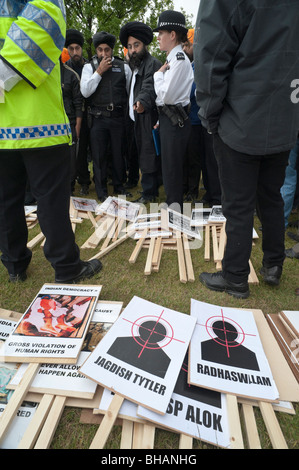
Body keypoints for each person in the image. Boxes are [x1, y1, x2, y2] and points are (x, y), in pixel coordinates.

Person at [194, 0, 299, 298]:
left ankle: (235, 276)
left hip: (242, 117)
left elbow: (210, 55)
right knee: (271, 197)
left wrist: (209, 114)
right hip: (283, 118)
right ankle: (273, 265)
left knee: (238, 205)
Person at [0, 0, 102, 283]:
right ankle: (66, 267)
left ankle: (14, 265)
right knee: (51, 200)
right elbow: (45, 18)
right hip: (37, 122)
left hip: (2, 122)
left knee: (6, 199)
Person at [80, 31, 132, 202]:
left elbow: (129, 91)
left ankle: (119, 186)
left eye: (107, 50)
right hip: (98, 118)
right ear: (96, 50)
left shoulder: (123, 66)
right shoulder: (89, 67)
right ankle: (101, 190)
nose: (104, 54)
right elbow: (85, 91)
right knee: (99, 155)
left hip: (117, 117)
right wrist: (99, 72)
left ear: (112, 50)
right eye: (100, 50)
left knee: (118, 153)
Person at [153, 10, 194, 212]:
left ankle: (174, 209)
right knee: (169, 166)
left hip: (176, 120)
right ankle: (172, 205)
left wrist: (157, 76)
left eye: (161, 32)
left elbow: (166, 96)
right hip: (170, 118)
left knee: (172, 167)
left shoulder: (177, 59)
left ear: (172, 35)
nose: (158, 37)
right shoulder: (174, 58)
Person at [119, 21, 162, 204]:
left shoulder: (152, 64)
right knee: (141, 153)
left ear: (144, 45)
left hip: (147, 116)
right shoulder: (134, 66)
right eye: (129, 47)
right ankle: (150, 189)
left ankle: (149, 193)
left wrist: (141, 103)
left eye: (136, 45)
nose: (132, 50)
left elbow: (148, 87)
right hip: (134, 117)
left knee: (148, 154)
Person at [65, 29, 91, 196]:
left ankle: (86, 181)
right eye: (71, 49)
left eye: (77, 48)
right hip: (74, 116)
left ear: (82, 49)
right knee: (76, 152)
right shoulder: (66, 69)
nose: (75, 52)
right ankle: (74, 181)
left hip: (91, 115)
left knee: (89, 151)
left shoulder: (89, 66)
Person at [60, 56, 83, 194]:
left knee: (70, 163)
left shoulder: (71, 75)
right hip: (48, 127)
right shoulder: (41, 74)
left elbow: (78, 103)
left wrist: (77, 127)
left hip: (69, 124)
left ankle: (69, 190)